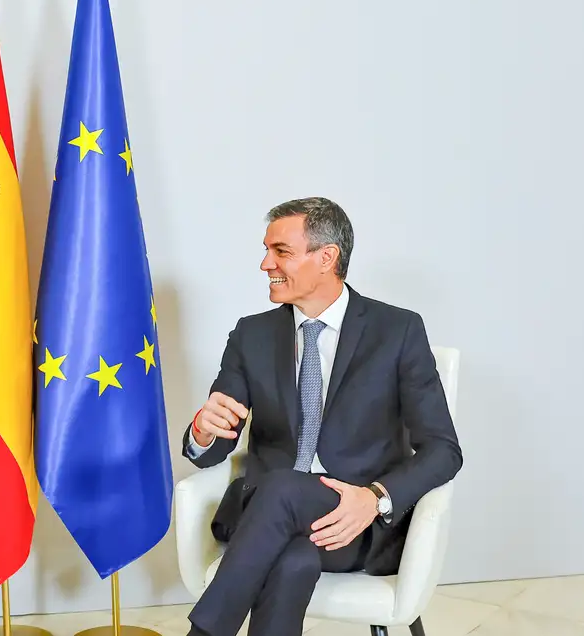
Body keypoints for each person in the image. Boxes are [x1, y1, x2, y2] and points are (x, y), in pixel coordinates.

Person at [183, 198, 462, 636]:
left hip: (354, 524)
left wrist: (375, 497)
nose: (265, 264)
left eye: (281, 251)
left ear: (327, 257)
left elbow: (443, 450)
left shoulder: (397, 331)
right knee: (292, 558)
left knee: (282, 490)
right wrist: (203, 430)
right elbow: (215, 444)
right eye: (266, 250)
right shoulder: (251, 335)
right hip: (264, 520)